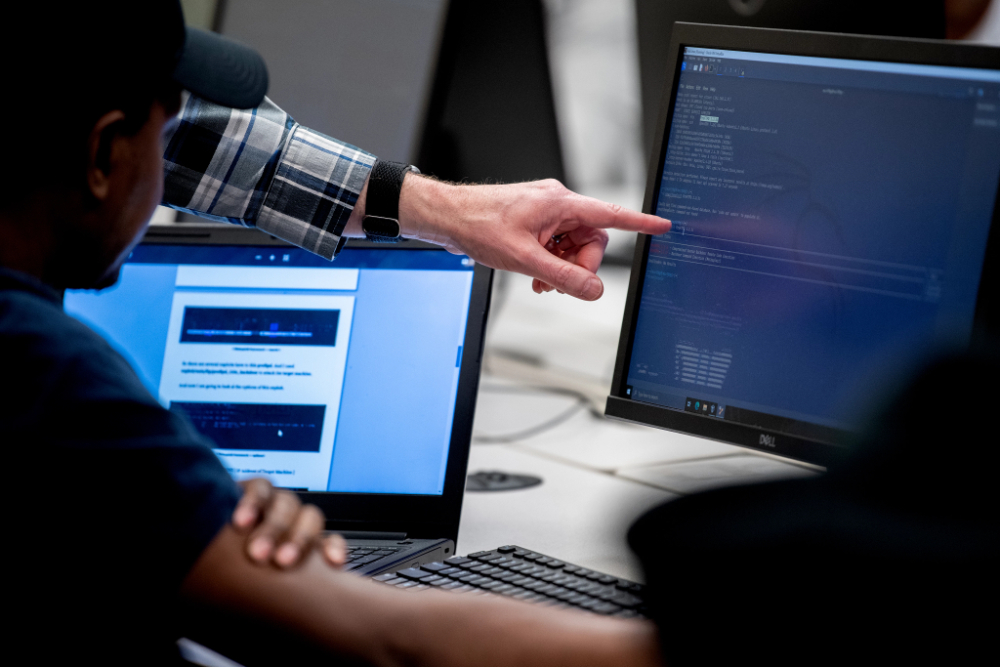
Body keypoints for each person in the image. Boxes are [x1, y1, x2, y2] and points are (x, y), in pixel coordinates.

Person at [2, 2, 667, 665]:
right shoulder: (44, 376)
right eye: (167, 130)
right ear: (100, 153)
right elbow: (385, 638)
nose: (174, 168)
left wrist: (184, 503)